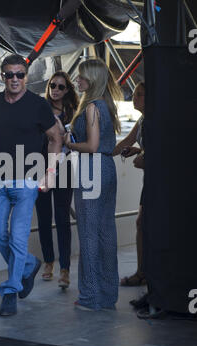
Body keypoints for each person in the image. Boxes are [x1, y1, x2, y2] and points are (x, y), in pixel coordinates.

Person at [0, 54, 62, 316]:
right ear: (2, 76)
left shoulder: (38, 105)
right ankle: (29, 264)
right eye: (9, 75)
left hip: (27, 179)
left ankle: (11, 290)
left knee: (17, 237)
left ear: (26, 76)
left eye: (19, 74)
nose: (14, 79)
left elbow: (55, 138)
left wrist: (49, 173)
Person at [64, 58, 122, 311]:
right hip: (107, 168)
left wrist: (69, 143)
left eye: (82, 77)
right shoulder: (107, 106)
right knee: (106, 231)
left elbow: (91, 146)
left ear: (93, 80)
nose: (78, 80)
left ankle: (89, 297)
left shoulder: (91, 108)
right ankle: (108, 295)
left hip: (92, 167)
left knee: (88, 232)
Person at [35, 71, 79, 289]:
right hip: (40, 166)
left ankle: (65, 269)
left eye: (61, 87)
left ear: (67, 90)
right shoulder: (40, 109)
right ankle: (48, 263)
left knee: (62, 218)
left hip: (65, 168)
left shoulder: (73, 113)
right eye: (53, 85)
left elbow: (76, 141)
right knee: (43, 218)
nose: (56, 90)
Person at [112, 82, 146, 287]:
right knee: (142, 224)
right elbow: (128, 141)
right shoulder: (143, 120)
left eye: (140, 94)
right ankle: (143, 272)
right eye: (134, 94)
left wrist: (141, 154)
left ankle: (144, 273)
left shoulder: (156, 120)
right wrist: (104, 153)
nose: (135, 98)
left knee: (143, 224)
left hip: (158, 183)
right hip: (149, 181)